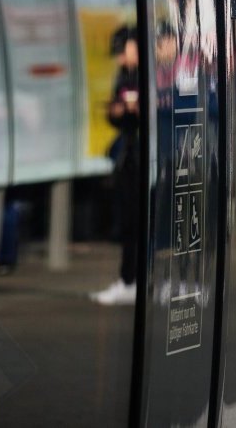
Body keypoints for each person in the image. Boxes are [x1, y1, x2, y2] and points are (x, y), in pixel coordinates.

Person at [92, 24, 141, 306]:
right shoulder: (124, 75)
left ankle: (133, 280)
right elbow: (115, 112)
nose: (120, 59)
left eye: (122, 51)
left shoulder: (151, 73)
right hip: (129, 155)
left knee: (137, 222)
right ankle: (128, 279)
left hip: (145, 156)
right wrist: (117, 111)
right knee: (128, 221)